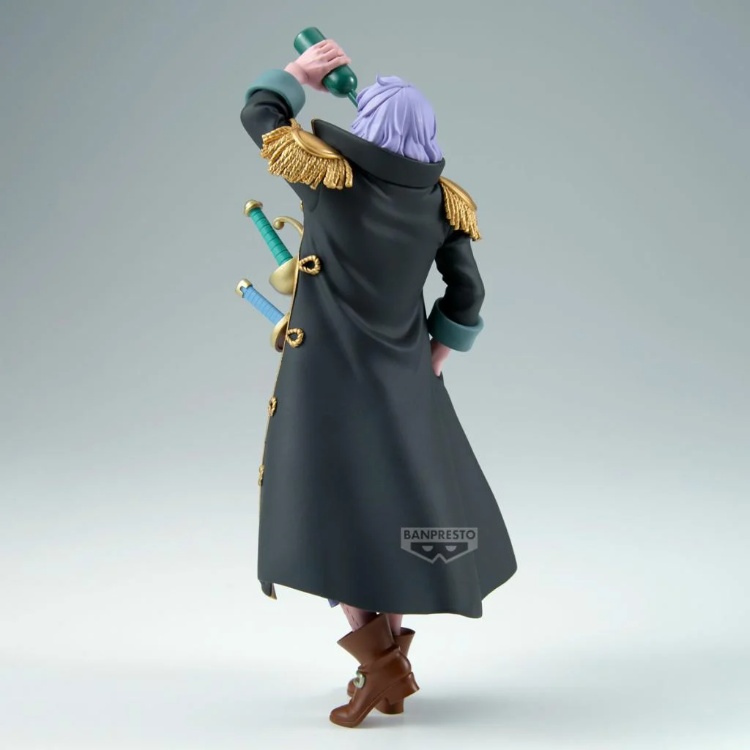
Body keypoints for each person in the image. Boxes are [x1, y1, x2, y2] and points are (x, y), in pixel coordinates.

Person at [240, 39, 517, 728]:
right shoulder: (441, 204)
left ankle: (385, 672)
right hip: (403, 385)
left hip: (328, 388)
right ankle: (387, 674)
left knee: (336, 522)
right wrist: (435, 355)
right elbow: (468, 294)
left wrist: (298, 75)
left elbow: (260, 114)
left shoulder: (330, 180)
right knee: (388, 521)